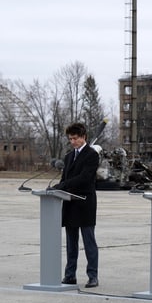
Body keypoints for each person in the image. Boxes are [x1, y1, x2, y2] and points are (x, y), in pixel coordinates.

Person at [54, 123, 101, 288]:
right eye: (70, 139)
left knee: (89, 242)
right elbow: (64, 178)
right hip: (69, 204)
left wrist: (64, 184)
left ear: (83, 137)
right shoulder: (68, 157)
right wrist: (56, 188)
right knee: (70, 243)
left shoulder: (92, 155)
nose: (72, 142)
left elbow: (85, 177)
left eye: (75, 138)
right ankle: (70, 275)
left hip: (84, 203)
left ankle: (93, 275)